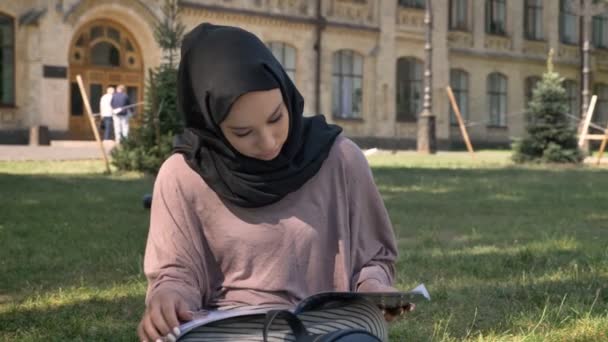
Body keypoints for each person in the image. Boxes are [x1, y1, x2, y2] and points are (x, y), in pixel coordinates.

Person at [138, 23, 410, 342]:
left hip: (332, 327)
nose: (268, 143)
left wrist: (376, 288)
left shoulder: (340, 158)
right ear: (210, 125)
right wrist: (168, 297)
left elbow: (373, 259)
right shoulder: (182, 175)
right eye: (243, 132)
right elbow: (177, 273)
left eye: (276, 117)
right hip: (230, 332)